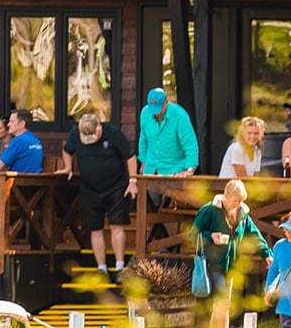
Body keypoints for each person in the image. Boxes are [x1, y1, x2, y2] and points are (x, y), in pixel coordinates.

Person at [190, 179, 271, 328]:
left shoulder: (242, 214)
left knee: (220, 306)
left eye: (241, 201)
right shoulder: (209, 210)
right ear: (226, 196)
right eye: (235, 201)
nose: (238, 205)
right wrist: (211, 236)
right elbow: (193, 234)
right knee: (224, 303)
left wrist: (266, 253)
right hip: (213, 265)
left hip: (231, 266)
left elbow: (254, 236)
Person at [62, 112, 138, 275]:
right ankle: (101, 268)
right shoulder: (75, 134)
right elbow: (67, 150)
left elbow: (130, 157)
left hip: (116, 186)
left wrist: (132, 181)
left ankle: (119, 266)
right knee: (95, 229)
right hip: (90, 188)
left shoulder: (113, 133)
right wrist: (68, 167)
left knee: (116, 225)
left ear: (99, 127)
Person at [138, 87, 198, 177]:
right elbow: (143, 140)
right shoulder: (145, 112)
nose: (156, 113)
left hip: (174, 172)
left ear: (166, 102)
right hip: (150, 171)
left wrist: (190, 169)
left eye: (159, 108)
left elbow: (190, 145)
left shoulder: (180, 115)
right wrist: (143, 161)